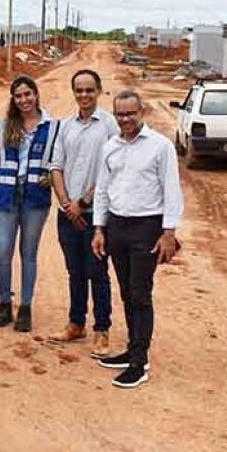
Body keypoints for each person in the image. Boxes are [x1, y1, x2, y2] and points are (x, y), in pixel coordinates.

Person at [92, 89, 183, 389]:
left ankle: (139, 362)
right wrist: (99, 229)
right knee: (126, 292)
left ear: (142, 112)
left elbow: (171, 190)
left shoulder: (160, 147)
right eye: (120, 114)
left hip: (147, 227)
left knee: (140, 293)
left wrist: (169, 232)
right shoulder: (110, 147)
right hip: (117, 226)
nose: (126, 119)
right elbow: (103, 190)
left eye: (131, 113)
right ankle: (132, 349)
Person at [47, 69, 118, 355]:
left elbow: (113, 168)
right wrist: (66, 203)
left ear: (99, 91)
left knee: (97, 272)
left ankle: (102, 329)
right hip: (68, 214)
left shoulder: (109, 126)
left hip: (96, 215)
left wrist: (83, 203)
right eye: (79, 90)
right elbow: (55, 166)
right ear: (73, 92)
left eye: (89, 90)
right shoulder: (67, 126)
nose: (84, 95)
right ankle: (76, 324)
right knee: (74, 271)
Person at [0, 76, 58, 333]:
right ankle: (4, 303)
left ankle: (25, 307)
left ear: (36, 95)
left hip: (36, 199)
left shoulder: (53, 127)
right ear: (13, 99)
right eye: (19, 96)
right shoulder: (4, 127)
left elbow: (60, 163)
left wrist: (52, 177)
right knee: (3, 252)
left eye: (28, 94)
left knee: (29, 254)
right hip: (7, 197)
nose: (25, 100)